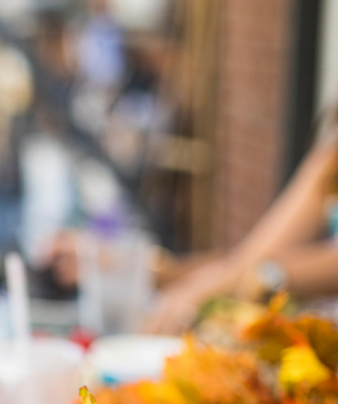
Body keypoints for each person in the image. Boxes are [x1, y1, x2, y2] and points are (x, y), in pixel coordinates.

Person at [144, 130, 338, 333]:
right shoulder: (331, 160)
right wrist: (163, 275)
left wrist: (265, 276)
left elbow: (264, 271)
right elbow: (250, 259)